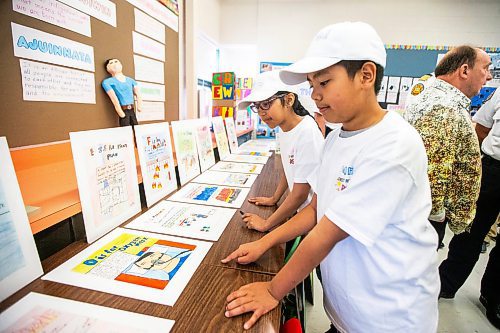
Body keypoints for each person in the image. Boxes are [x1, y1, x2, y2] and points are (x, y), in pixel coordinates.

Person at [222, 21, 439, 332]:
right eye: (312, 85)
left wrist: (272, 290)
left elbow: (329, 231)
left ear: (366, 75)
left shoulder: (394, 145)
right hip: (348, 314)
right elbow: (315, 210)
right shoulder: (337, 139)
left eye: (324, 82)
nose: (315, 95)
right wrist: (264, 242)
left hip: (388, 319)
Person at [404, 46, 493, 249]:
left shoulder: (436, 96)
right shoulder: (444, 107)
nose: (488, 77)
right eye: (485, 68)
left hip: (421, 213)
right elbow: (433, 170)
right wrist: (437, 216)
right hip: (427, 218)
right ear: (464, 70)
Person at [439, 88, 500, 329]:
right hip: (494, 168)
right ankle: (445, 284)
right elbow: (482, 128)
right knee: (469, 230)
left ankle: (493, 296)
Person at [237, 70, 324, 232]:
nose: (261, 112)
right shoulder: (283, 128)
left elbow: (300, 194)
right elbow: (289, 167)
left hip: (310, 220)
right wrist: (274, 198)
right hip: (298, 212)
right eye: (257, 106)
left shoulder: (306, 132)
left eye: (266, 103)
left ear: (289, 100)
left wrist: (266, 223)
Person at [102, 58, 143, 128]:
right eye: (111, 63)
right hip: (123, 110)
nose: (114, 64)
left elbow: (138, 94)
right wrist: (120, 111)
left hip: (132, 109)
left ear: (121, 64)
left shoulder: (131, 80)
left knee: (136, 128)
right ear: (107, 68)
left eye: (116, 61)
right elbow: (114, 99)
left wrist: (139, 106)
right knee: (125, 129)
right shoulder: (107, 82)